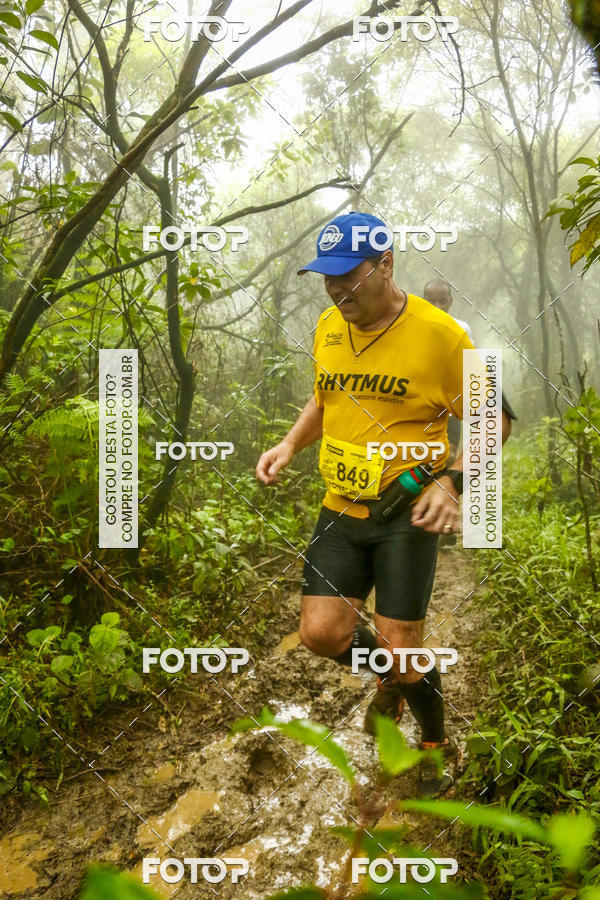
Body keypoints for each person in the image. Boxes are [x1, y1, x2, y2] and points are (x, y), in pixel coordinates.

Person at [256, 211, 514, 797]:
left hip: (405, 513)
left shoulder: (442, 335)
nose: (338, 289)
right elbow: (324, 400)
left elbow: (491, 419)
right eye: (328, 278)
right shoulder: (327, 325)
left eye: (350, 276)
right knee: (321, 634)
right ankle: (394, 678)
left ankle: (434, 739)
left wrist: (451, 483)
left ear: (386, 264)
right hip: (341, 506)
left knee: (403, 653)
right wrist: (290, 443)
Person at [423, 279, 472, 463]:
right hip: (420, 411)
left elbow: (468, 369)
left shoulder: (461, 329)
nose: (437, 307)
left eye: (442, 301)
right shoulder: (413, 329)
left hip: (449, 411)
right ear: (423, 301)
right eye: (431, 301)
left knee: (449, 458)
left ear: (450, 301)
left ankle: (447, 490)